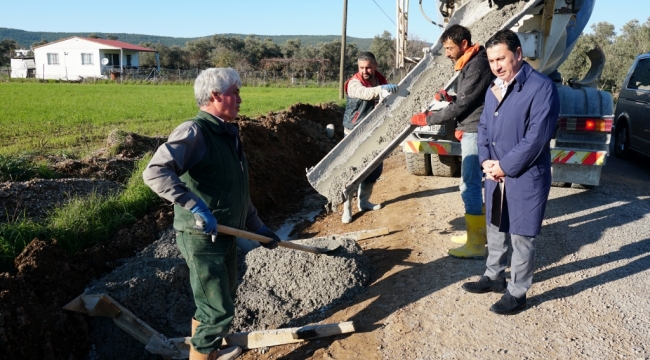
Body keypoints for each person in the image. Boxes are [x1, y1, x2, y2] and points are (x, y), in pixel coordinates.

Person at [143, 68, 281, 360]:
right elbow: (155, 172)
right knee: (217, 311)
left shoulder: (226, 133)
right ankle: (202, 355)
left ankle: (210, 350)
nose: (240, 99)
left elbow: (236, 191)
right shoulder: (195, 131)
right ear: (216, 96)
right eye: (235, 93)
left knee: (220, 299)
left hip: (227, 234)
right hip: (202, 237)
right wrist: (195, 206)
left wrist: (259, 228)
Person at [462, 30, 559, 315]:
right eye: (492, 60)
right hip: (495, 174)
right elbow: (482, 128)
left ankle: (517, 292)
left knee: (521, 235)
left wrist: (504, 166)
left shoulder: (541, 88)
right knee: (495, 226)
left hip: (525, 175)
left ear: (518, 53)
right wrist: (486, 162)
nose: (496, 66)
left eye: (501, 58)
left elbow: (537, 138)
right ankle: (493, 276)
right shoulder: (495, 86)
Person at [409, 24, 494, 259]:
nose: (446, 52)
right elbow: (468, 98)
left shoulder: (477, 64)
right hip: (472, 127)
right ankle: (476, 234)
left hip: (476, 130)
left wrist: (428, 119)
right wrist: (450, 98)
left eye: (449, 48)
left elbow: (464, 105)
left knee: (470, 185)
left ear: (463, 44)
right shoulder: (472, 62)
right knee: (474, 183)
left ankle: (476, 244)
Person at [341, 51, 399, 223]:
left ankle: (364, 202)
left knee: (374, 169)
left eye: (368, 67)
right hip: (354, 132)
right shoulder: (354, 83)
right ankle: (347, 209)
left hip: (374, 132)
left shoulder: (381, 80)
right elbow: (366, 93)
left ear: (375, 66)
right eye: (361, 68)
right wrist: (381, 90)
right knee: (351, 171)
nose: (365, 71)